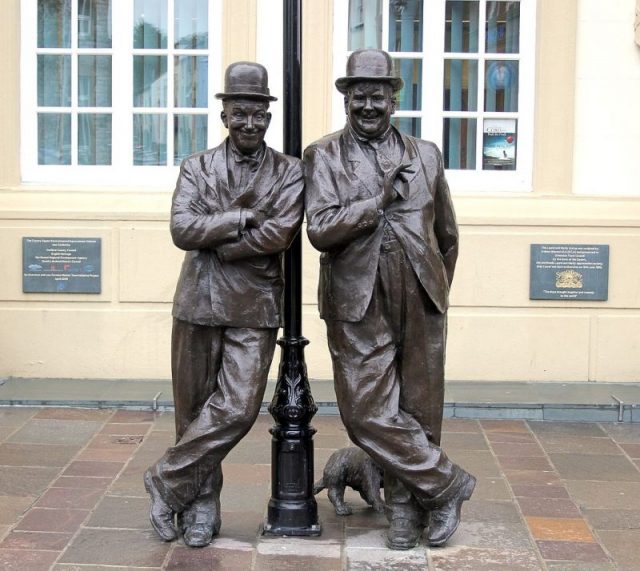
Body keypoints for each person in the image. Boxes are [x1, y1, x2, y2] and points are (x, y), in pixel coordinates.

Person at [304, 49, 475, 550]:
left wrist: (434, 286)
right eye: (359, 97)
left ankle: (405, 510)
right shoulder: (325, 155)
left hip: (420, 292)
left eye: (377, 96)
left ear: (395, 99)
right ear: (346, 99)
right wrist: (376, 201)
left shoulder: (426, 154)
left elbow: (447, 233)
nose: (368, 106)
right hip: (357, 297)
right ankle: (447, 485)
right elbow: (321, 229)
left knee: (420, 407)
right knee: (365, 411)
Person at [144, 61, 304, 548]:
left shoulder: (290, 171)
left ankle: (165, 478)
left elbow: (281, 233)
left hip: (254, 306)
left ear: (268, 116)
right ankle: (200, 505)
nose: (250, 123)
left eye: (258, 114)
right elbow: (181, 229)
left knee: (236, 408)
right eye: (240, 113)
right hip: (197, 301)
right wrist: (241, 217)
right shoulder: (196, 166)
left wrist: (221, 239)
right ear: (225, 115)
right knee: (193, 412)